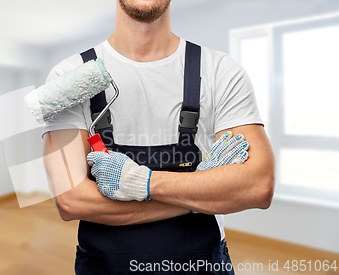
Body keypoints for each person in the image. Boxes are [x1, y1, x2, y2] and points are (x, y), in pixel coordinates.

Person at [42, 0, 275, 274]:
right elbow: (71, 200)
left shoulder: (220, 70)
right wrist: (199, 193)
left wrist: (139, 182)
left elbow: (257, 187)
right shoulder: (66, 78)